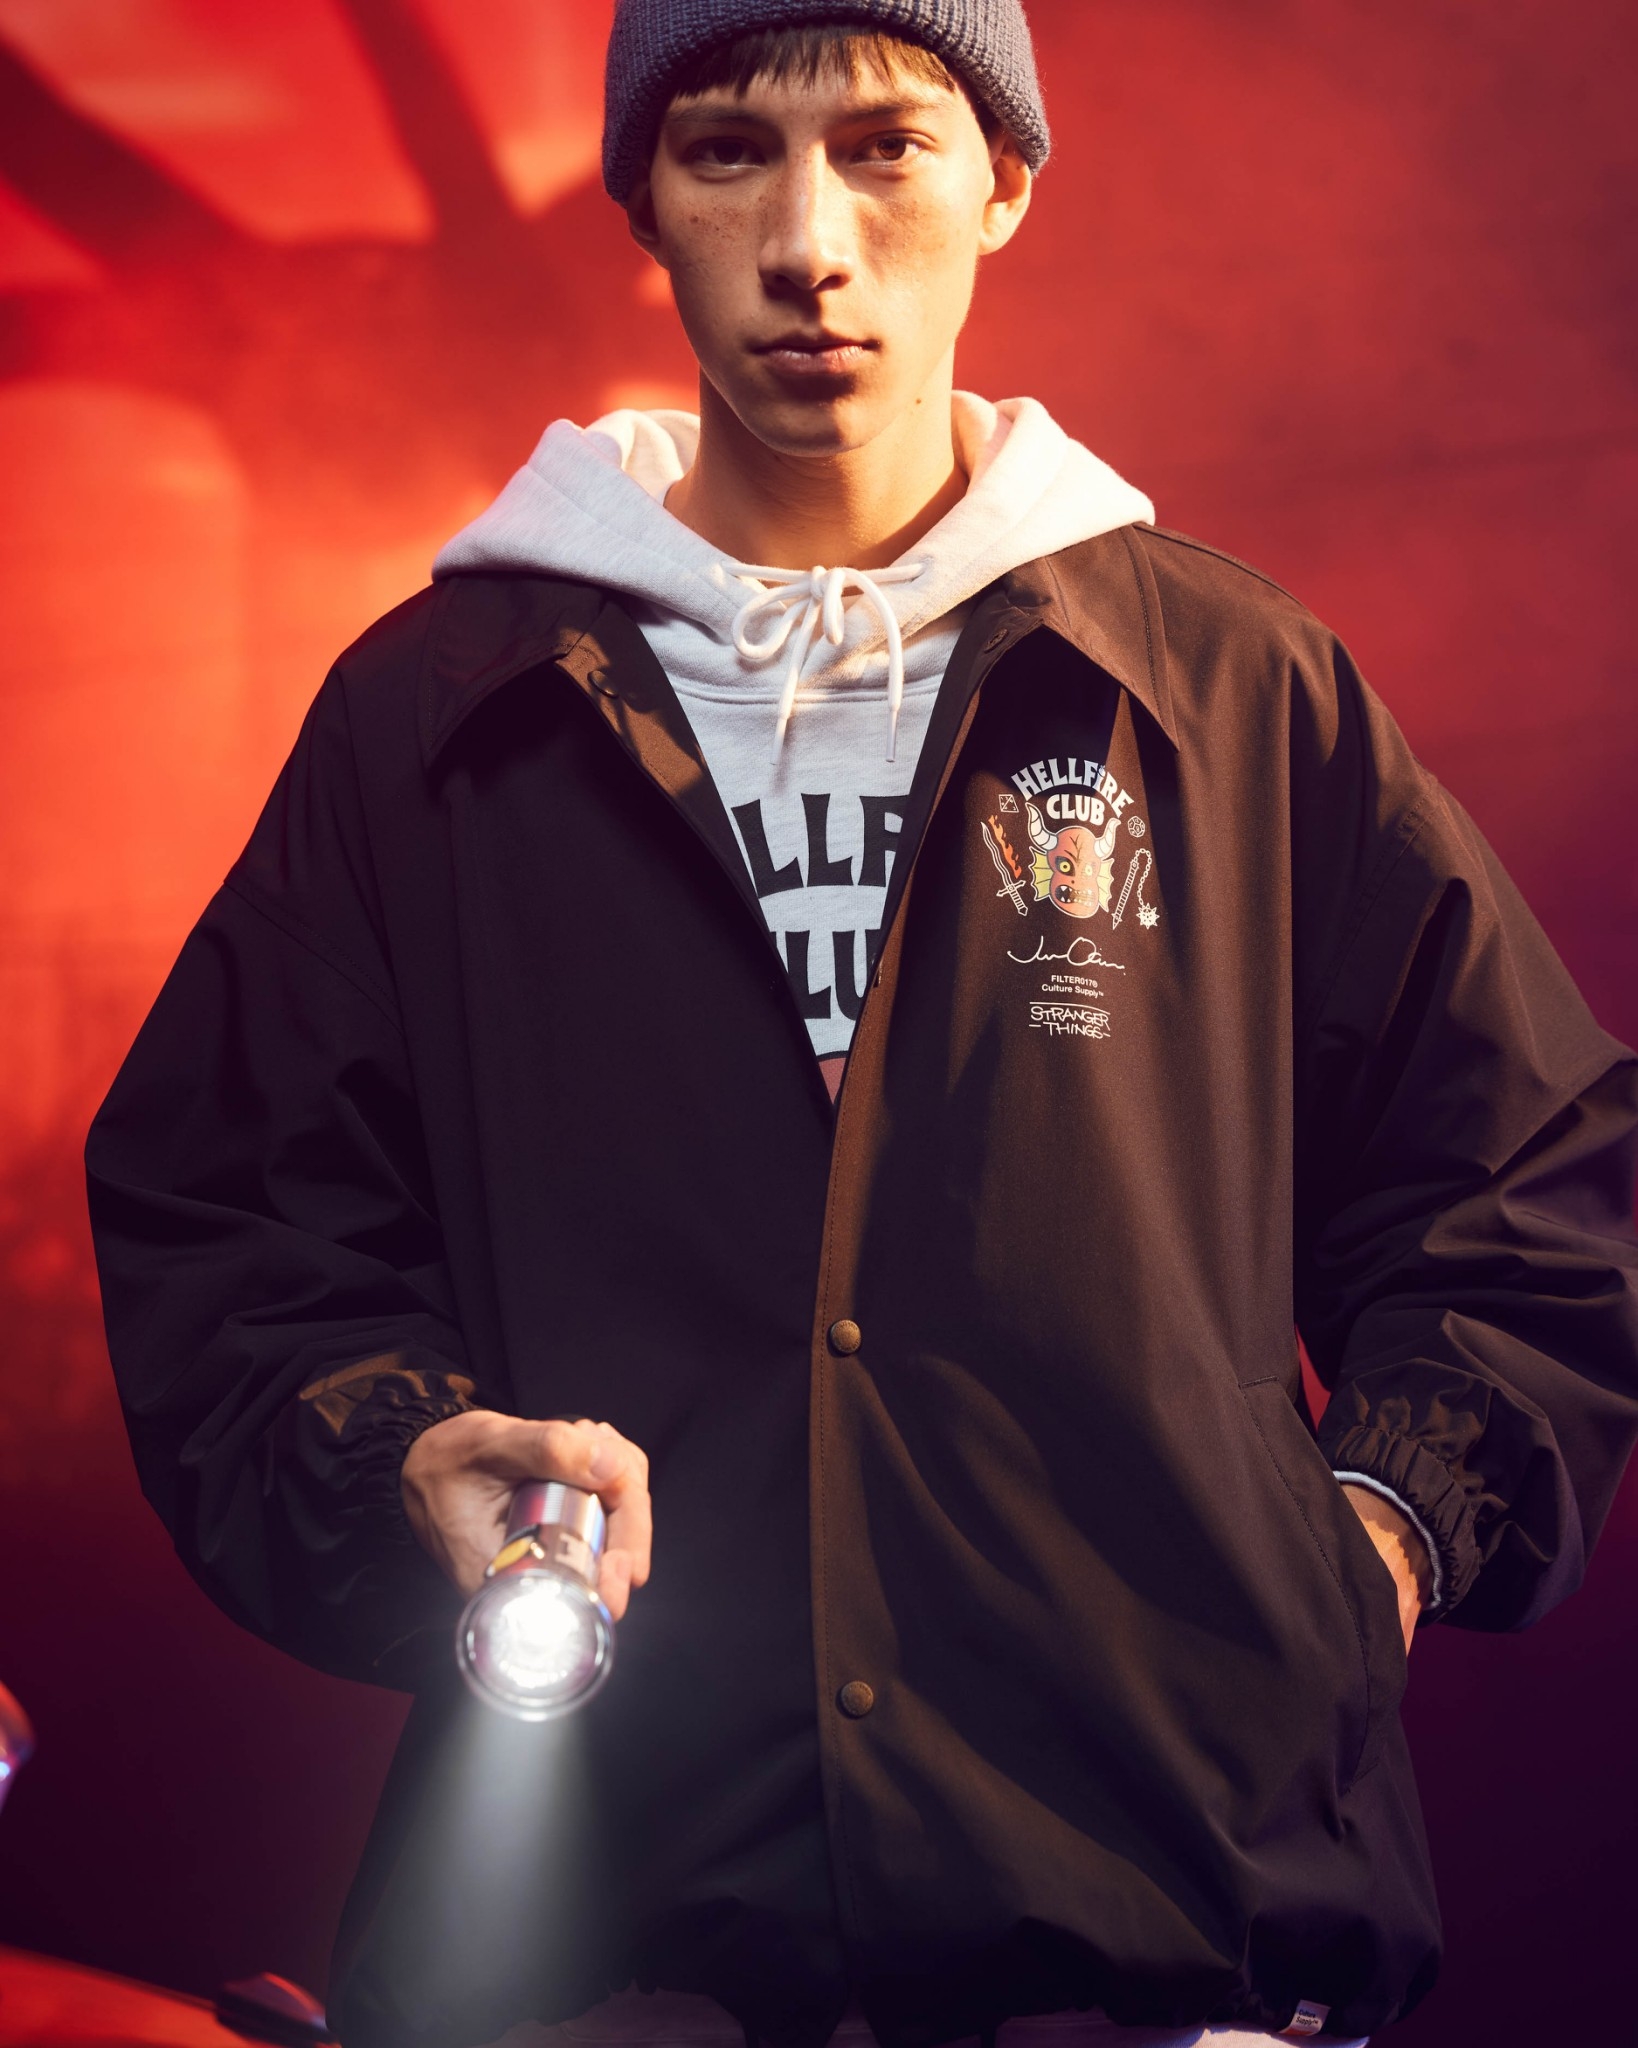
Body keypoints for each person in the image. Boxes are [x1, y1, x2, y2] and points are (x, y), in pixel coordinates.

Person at [86, 3, 1638, 2046]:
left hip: (1177, 1937)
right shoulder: (436, 718)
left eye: (887, 145)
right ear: (644, 203)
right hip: (608, 1944)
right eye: (728, 151)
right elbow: (230, 1239)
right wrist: (405, 1462)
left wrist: (1366, 1551)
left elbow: (1527, 1197)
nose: (810, 244)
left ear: (1005, 186)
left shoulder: (1230, 687)